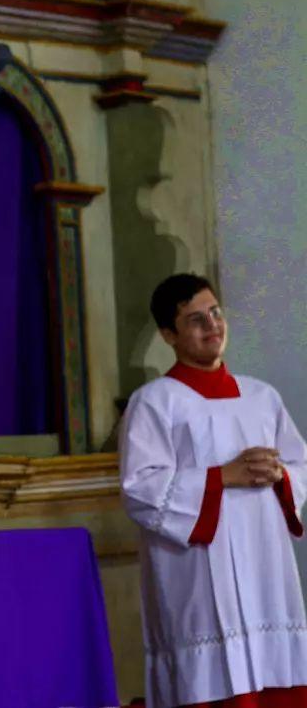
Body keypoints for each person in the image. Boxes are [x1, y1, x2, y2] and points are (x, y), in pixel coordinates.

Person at [119, 273, 307, 708]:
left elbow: (299, 465)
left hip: (265, 564)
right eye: (195, 319)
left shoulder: (263, 397)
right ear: (169, 334)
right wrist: (221, 477)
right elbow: (139, 488)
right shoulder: (155, 401)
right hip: (199, 569)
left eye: (216, 313)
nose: (212, 326)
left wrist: (280, 474)